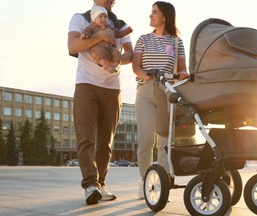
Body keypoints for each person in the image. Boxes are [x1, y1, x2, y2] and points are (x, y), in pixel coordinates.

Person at [68, 0, 133, 205]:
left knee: (106, 142)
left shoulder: (119, 24)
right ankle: (90, 184)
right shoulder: (80, 19)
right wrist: (100, 37)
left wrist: (113, 60)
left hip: (113, 88)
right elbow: (73, 46)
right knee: (86, 137)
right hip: (86, 84)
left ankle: (100, 184)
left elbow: (130, 54)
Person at [132, 1, 189, 199]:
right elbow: (136, 66)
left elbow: (183, 69)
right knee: (146, 139)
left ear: (164, 16)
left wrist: (182, 74)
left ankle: (161, 182)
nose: (150, 15)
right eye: (151, 12)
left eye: (154, 12)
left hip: (167, 91)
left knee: (164, 141)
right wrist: (145, 75)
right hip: (146, 91)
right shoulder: (143, 39)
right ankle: (144, 181)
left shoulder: (176, 42)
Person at [82, 5, 133, 74]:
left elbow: (118, 33)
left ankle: (115, 65)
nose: (103, 19)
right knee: (99, 52)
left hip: (110, 47)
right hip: (98, 46)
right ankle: (106, 66)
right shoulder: (92, 26)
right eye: (100, 17)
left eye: (105, 17)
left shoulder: (109, 27)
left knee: (116, 52)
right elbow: (87, 31)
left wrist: (127, 31)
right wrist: (85, 35)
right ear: (94, 19)